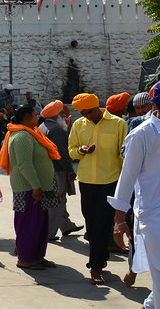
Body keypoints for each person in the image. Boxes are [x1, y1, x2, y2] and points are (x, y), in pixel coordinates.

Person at [108, 76, 160, 308]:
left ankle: (152, 305)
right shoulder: (141, 135)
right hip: (156, 221)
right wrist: (119, 221)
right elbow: (126, 180)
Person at [68, 92, 128, 284]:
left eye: (90, 112)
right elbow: (71, 150)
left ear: (98, 107)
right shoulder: (79, 125)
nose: (87, 116)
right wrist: (81, 150)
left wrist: (127, 181)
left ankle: (95, 267)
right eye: (83, 113)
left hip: (110, 180)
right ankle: (100, 259)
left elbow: (124, 154)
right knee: (91, 225)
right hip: (86, 181)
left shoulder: (118, 124)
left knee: (102, 224)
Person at [0, 104, 59, 271]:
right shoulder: (22, 137)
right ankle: (25, 258)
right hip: (29, 188)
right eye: (35, 115)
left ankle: (37, 256)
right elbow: (25, 165)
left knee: (39, 224)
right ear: (25, 117)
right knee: (28, 224)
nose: (37, 117)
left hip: (38, 187)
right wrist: (36, 186)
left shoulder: (32, 134)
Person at [37, 100, 82, 240]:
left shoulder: (42, 127)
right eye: (62, 114)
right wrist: (69, 170)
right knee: (56, 201)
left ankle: (66, 225)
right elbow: (62, 153)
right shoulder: (56, 130)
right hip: (57, 170)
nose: (64, 116)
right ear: (57, 115)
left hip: (47, 169)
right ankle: (49, 233)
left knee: (59, 200)